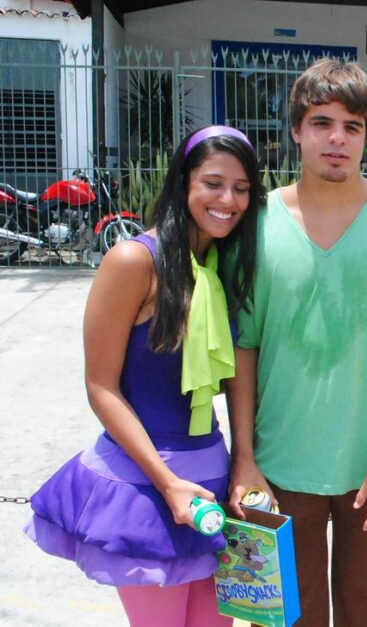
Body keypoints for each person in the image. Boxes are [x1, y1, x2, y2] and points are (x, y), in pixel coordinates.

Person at [226, 59, 367, 627]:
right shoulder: (255, 224)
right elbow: (243, 350)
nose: (337, 139)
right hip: (276, 464)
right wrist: (244, 458)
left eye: (352, 126)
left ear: (366, 135)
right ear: (296, 130)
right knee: (285, 616)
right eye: (321, 123)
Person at [23, 124, 264, 626]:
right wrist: (167, 483)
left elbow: (241, 367)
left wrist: (243, 459)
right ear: (183, 182)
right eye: (213, 183)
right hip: (144, 486)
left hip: (211, 479)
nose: (228, 200)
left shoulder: (222, 265)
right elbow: (101, 387)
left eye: (241, 189)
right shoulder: (133, 260)